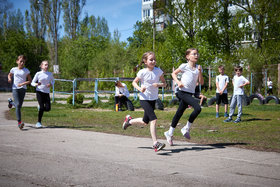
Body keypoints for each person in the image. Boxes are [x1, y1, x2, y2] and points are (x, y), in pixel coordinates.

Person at [122, 51, 167, 152]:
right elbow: (134, 82)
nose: (153, 61)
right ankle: (155, 143)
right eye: (151, 59)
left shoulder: (158, 71)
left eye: (154, 59)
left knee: (145, 121)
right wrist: (139, 88)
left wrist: (158, 85)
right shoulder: (142, 72)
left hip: (153, 99)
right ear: (145, 61)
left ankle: (129, 121)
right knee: (154, 119)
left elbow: (164, 83)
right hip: (144, 99)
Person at [164, 48, 204, 146]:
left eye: (197, 54)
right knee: (198, 108)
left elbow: (201, 82)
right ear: (188, 57)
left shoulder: (199, 68)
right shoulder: (184, 66)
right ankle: (185, 128)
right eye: (194, 54)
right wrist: (178, 82)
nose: (196, 55)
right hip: (182, 92)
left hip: (189, 93)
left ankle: (169, 133)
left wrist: (200, 72)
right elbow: (173, 74)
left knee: (179, 113)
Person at [7, 55, 32, 130]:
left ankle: (11, 103)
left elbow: (30, 80)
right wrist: (9, 78)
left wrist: (22, 84)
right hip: (15, 88)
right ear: (17, 61)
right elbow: (9, 74)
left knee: (19, 106)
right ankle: (19, 122)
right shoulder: (14, 69)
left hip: (23, 89)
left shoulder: (26, 70)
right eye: (21, 61)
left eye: (23, 62)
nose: (22, 63)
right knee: (17, 105)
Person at [31, 61, 54, 128]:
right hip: (39, 92)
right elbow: (32, 82)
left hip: (46, 93)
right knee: (41, 107)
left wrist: (51, 84)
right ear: (41, 66)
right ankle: (38, 122)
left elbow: (53, 81)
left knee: (48, 108)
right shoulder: (38, 73)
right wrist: (36, 84)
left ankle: (40, 108)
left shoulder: (50, 74)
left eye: (47, 65)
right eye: (45, 65)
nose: (47, 66)